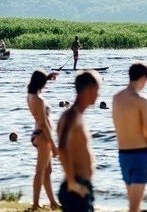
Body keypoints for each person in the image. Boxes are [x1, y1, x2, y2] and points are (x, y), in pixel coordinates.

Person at [112, 63, 147, 212]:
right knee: (134, 205)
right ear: (144, 78)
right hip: (140, 154)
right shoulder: (141, 100)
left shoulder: (116, 98)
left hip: (123, 154)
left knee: (133, 202)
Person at [57, 71, 101, 212]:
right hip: (75, 186)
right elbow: (62, 147)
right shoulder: (71, 115)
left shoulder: (77, 115)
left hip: (81, 185)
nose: (98, 94)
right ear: (88, 90)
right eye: (97, 90)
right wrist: (71, 183)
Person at [26, 70, 60, 211]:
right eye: (45, 82)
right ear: (41, 83)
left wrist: (48, 76)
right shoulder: (39, 100)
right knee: (40, 171)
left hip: (38, 134)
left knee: (47, 170)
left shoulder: (31, 96)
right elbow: (44, 123)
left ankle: (53, 202)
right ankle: (35, 204)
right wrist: (53, 144)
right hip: (43, 136)